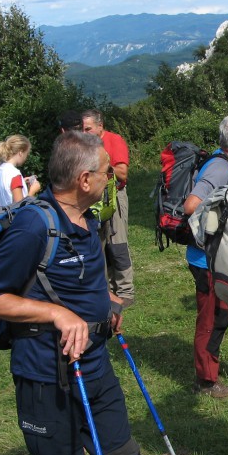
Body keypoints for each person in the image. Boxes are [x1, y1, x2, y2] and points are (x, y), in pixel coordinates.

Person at [0, 131, 199, 455]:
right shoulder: (35, 225)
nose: (112, 177)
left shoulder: (88, 219)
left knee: (120, 453)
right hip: (43, 367)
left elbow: (82, 278)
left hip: (93, 359)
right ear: (84, 178)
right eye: (105, 171)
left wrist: (106, 304)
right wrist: (57, 313)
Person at [182, 113, 228, 398]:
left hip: (225, 259)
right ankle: (206, 381)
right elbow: (192, 205)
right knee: (213, 320)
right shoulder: (219, 169)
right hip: (208, 261)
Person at [82, 110, 135, 308]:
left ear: (100, 126)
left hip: (114, 195)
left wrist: (102, 166)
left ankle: (125, 291)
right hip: (92, 198)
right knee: (99, 244)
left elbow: (122, 173)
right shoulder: (84, 145)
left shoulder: (114, 141)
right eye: (83, 129)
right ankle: (105, 290)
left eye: (89, 129)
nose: (85, 133)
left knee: (117, 243)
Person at [0, 134, 41, 207]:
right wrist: (32, 191)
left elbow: (6, 188)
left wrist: (22, 182)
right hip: (15, 218)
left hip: (2, 216)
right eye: (26, 154)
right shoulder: (14, 174)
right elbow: (19, 206)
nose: (26, 158)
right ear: (21, 153)